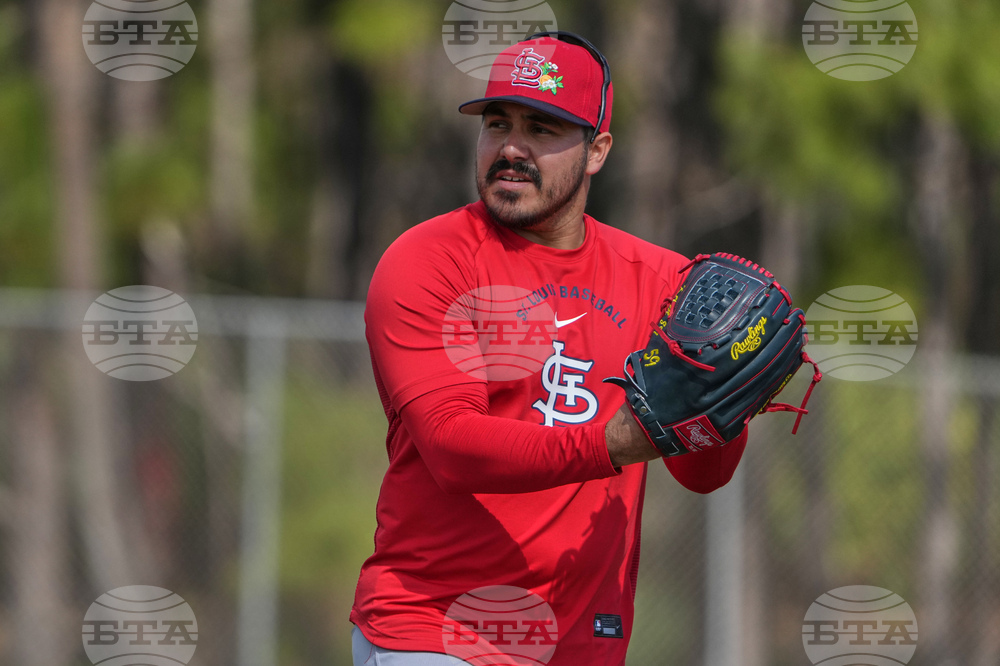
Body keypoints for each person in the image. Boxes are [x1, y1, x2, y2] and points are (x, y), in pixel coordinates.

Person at [350, 32, 747, 666]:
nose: (511, 147)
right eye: (497, 123)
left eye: (542, 128)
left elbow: (704, 476)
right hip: (438, 631)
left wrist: (727, 397)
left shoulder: (663, 282)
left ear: (598, 151)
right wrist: (616, 441)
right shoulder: (430, 260)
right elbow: (453, 447)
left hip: (584, 641)